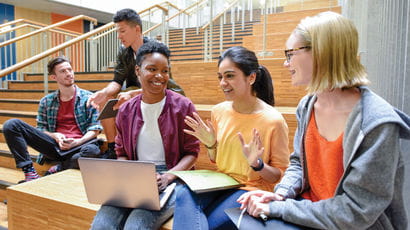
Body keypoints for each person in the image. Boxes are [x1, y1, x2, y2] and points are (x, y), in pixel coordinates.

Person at [237, 11, 410, 230]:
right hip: (309, 212)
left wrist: (279, 209)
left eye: (290, 53)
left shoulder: (377, 124)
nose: (285, 63)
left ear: (321, 53)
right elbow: (299, 163)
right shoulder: (307, 106)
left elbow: (355, 212)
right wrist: (280, 194)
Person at [172, 46, 290, 230]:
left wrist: (257, 164)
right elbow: (216, 160)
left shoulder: (273, 120)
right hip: (220, 182)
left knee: (210, 223)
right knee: (182, 193)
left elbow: (278, 176)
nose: (223, 83)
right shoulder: (219, 111)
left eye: (230, 76)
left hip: (248, 189)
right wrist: (211, 145)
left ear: (251, 77)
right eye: (220, 77)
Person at [90, 41, 200, 230]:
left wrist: (168, 176)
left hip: (172, 176)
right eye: (152, 69)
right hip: (136, 174)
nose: (160, 76)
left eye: (165, 71)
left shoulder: (184, 106)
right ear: (137, 71)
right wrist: (127, 175)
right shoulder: (125, 110)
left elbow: (192, 153)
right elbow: (121, 152)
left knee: (135, 226)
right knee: (101, 225)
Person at [87, 8, 184, 159]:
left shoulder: (155, 49)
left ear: (137, 29)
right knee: (105, 100)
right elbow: (117, 80)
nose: (119, 36)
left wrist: (135, 93)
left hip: (150, 91)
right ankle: (113, 148)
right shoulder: (124, 51)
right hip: (131, 90)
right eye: (118, 32)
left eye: (123, 31)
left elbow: (163, 83)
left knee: (130, 96)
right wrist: (104, 92)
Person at [3, 56, 102, 182]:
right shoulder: (46, 101)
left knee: (92, 150)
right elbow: (41, 129)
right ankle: (29, 172)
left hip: (80, 145)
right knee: (11, 125)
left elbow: (95, 129)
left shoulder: (89, 98)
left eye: (70, 70)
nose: (68, 74)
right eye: (63, 71)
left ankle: (58, 168)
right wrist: (54, 135)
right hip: (54, 146)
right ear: (53, 77)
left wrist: (78, 142)